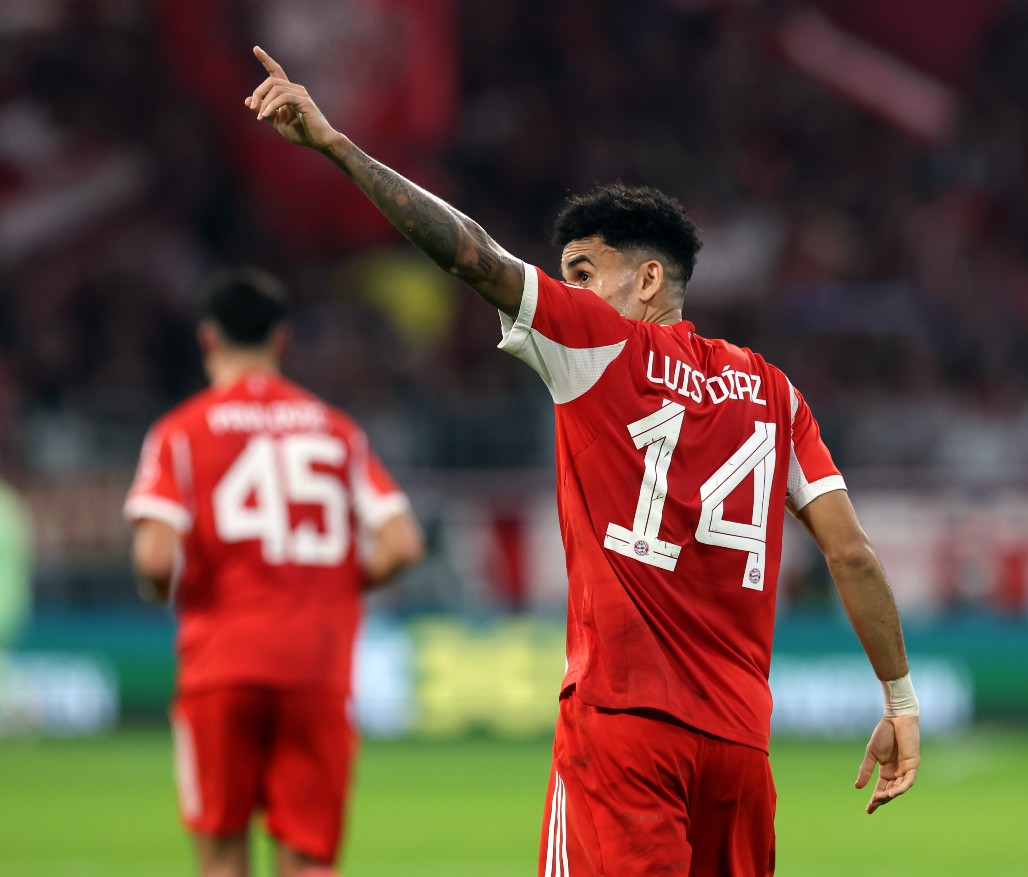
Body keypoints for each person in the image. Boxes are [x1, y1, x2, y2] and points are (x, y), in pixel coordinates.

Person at [246, 45, 919, 876]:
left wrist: (338, 146)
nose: (566, 291)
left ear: (645, 281)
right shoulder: (775, 392)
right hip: (740, 750)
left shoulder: (598, 346)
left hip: (626, 728)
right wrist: (898, 697)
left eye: (581, 272)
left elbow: (468, 253)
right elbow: (850, 550)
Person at [124, 268, 424, 877]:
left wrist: (164, 592)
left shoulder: (180, 432)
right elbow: (402, 544)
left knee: (221, 855)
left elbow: (156, 558)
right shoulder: (337, 431)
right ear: (282, 341)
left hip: (221, 662)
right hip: (316, 664)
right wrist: (337, 583)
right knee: (309, 858)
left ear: (208, 340)